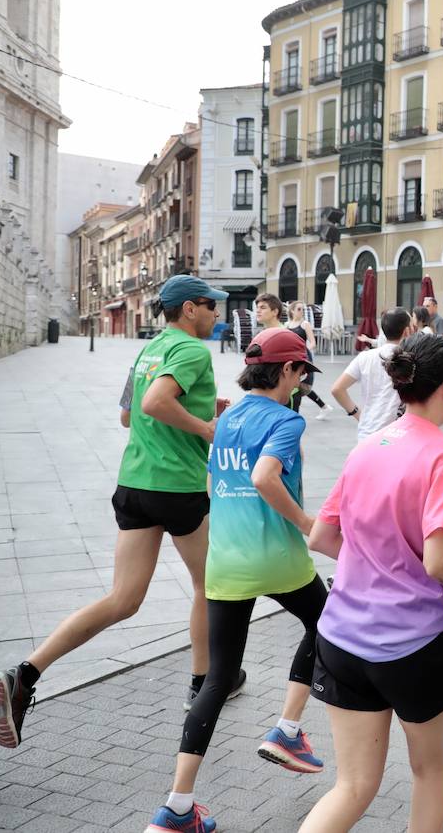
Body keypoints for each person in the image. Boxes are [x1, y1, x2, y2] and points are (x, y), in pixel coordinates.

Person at [0, 275, 228, 749]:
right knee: (210, 584)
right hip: (176, 486)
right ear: (189, 310)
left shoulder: (149, 350)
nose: (217, 314)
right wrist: (207, 427)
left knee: (123, 599)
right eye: (210, 306)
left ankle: (25, 675)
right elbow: (156, 403)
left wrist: (195, 411)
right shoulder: (193, 351)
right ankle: (204, 682)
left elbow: (128, 414)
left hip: (134, 482)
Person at [144, 329, 329, 833]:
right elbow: (265, 478)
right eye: (302, 373)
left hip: (225, 561)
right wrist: (310, 525)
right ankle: (288, 728)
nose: (302, 382)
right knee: (328, 620)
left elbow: (212, 483)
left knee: (218, 679)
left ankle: (177, 807)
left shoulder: (223, 421)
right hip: (277, 557)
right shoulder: (287, 419)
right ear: (289, 371)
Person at [299, 334, 443, 833]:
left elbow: (323, 536)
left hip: (340, 637)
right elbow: (441, 561)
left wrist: (378, 560)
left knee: (351, 786)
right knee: (431, 773)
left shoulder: (368, 446)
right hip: (412, 645)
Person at [330, 307, 414, 443]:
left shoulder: (365, 357)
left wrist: (358, 414)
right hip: (396, 434)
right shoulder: (411, 359)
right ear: (407, 331)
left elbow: (337, 389)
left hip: (367, 432)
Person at [283, 300, 331, 418]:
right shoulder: (286, 325)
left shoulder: (305, 324)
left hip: (303, 358)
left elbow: (313, 342)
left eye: (303, 309)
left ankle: (294, 413)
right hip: (290, 358)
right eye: (299, 309)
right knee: (297, 386)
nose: (301, 311)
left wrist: (305, 351)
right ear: (292, 311)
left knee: (302, 386)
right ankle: (324, 407)